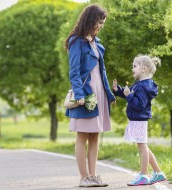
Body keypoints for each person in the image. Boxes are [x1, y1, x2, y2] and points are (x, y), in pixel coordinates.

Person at [64, 4, 115, 188]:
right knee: (82, 136)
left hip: (99, 93)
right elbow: (74, 71)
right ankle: (83, 177)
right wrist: (79, 93)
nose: (100, 25)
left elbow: (102, 72)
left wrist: (109, 93)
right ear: (90, 19)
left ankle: (93, 176)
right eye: (99, 22)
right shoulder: (76, 41)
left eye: (103, 23)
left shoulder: (97, 43)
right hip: (85, 94)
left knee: (95, 136)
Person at [112, 55, 166, 186]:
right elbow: (129, 94)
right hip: (138, 120)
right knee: (144, 146)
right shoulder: (140, 85)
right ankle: (158, 173)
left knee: (142, 147)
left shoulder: (143, 87)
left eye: (134, 66)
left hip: (139, 120)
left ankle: (143, 175)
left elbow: (139, 105)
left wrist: (129, 95)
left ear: (143, 68)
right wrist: (118, 90)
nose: (132, 69)